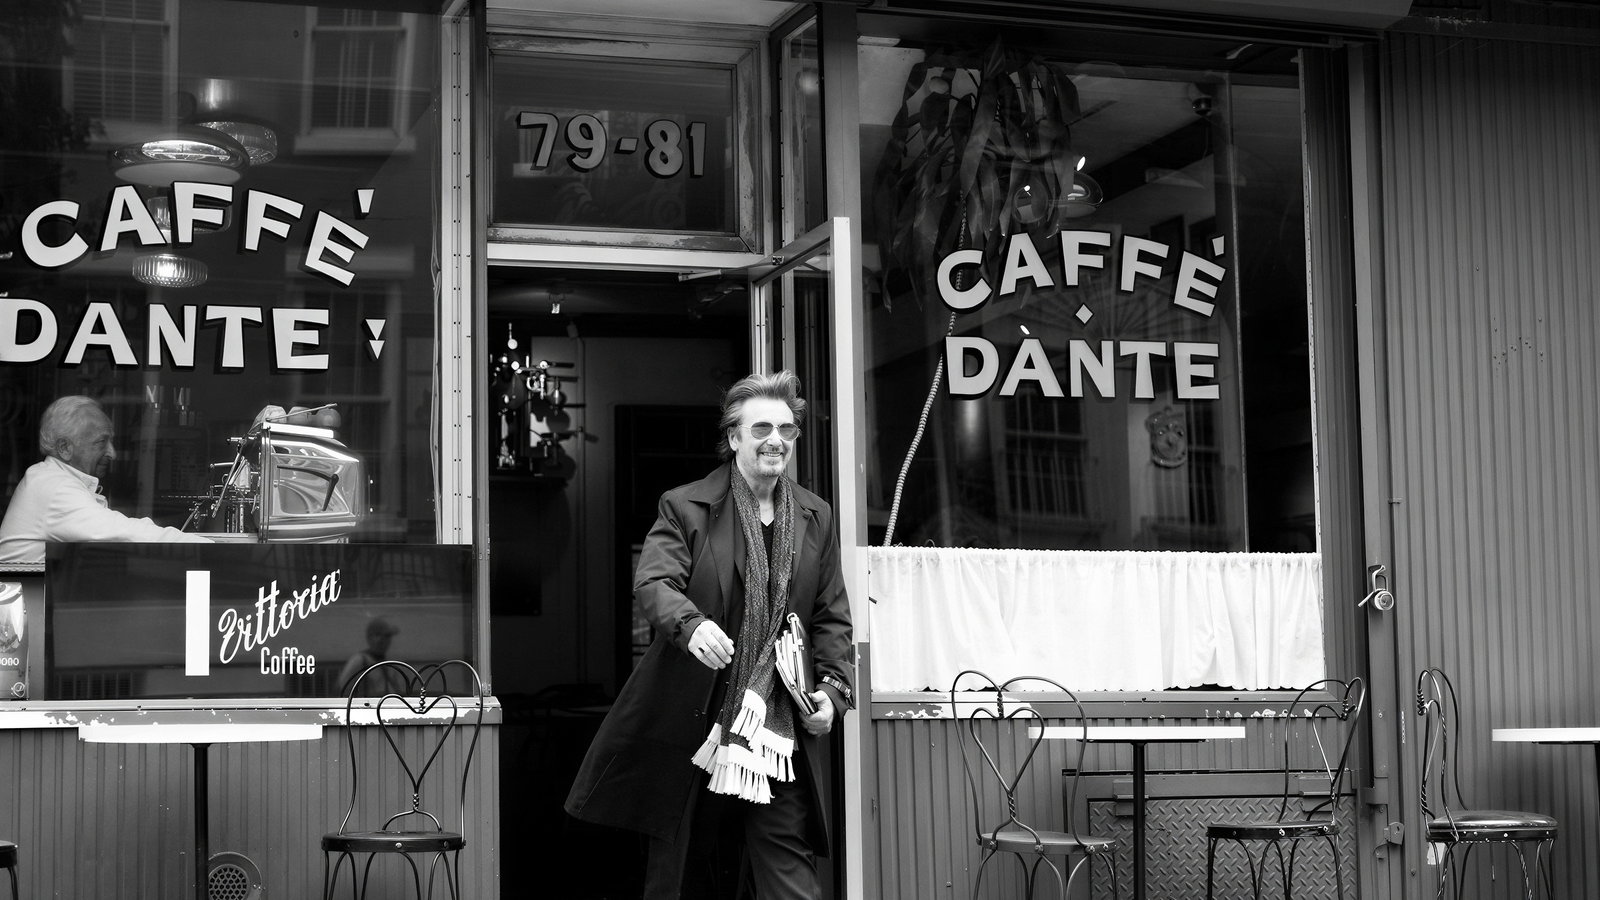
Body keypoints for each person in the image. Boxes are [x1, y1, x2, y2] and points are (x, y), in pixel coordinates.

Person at [565, 370, 854, 900]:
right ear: (734, 437)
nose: (776, 440)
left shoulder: (817, 515)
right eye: (762, 428)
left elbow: (830, 615)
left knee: (789, 874)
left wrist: (834, 693)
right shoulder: (685, 505)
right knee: (681, 873)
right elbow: (654, 580)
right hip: (698, 719)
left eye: (787, 430)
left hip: (775, 724)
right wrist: (690, 625)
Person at [0, 395, 211, 564]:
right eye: (101, 442)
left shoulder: (51, 478)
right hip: (29, 610)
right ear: (65, 448)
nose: (112, 453)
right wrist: (211, 548)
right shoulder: (54, 487)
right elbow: (122, 533)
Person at [336, 617, 405, 697]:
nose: (383, 640)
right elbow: (341, 688)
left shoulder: (388, 663)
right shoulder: (359, 660)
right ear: (369, 638)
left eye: (387, 637)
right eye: (378, 635)